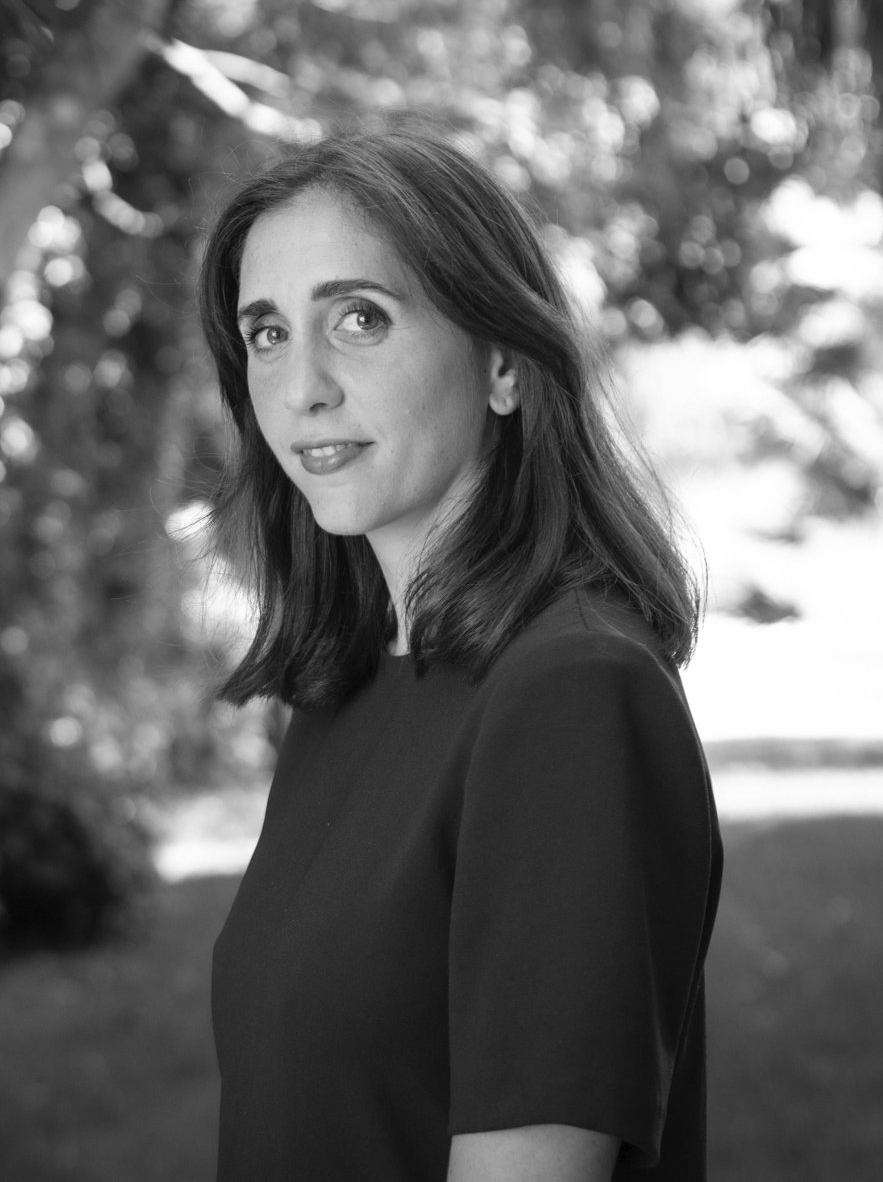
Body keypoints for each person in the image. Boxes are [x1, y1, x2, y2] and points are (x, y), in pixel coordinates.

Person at [200, 121, 722, 1182]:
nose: (301, 387)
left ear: (503, 364)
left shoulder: (574, 692)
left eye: (359, 318)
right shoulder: (350, 684)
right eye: (267, 333)